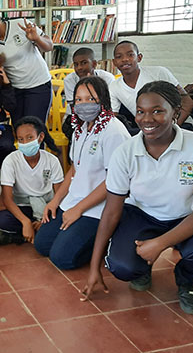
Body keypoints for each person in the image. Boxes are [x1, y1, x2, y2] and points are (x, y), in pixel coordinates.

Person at [81, 81, 193, 315]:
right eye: (141, 111)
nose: (146, 119)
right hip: (142, 215)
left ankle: (187, 280)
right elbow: (111, 211)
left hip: (188, 217)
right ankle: (141, 269)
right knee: (122, 267)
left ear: (176, 113)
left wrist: (160, 244)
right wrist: (94, 268)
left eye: (157, 111)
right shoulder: (125, 152)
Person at [38, 77, 130, 269]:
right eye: (78, 100)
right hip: (74, 199)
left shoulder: (113, 131)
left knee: (62, 258)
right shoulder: (80, 127)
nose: (83, 104)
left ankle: (108, 239)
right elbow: (74, 168)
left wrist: (78, 210)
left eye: (90, 98)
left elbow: (114, 180)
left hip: (100, 207)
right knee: (42, 244)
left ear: (103, 100)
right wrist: (56, 201)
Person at [0, 0, 53, 123]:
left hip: (38, 85)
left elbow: (49, 47)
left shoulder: (21, 25)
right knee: (19, 129)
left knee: (34, 129)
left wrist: (37, 38)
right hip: (15, 90)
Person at [0, 116, 64, 246]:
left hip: (47, 207)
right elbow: (7, 199)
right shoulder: (11, 161)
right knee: (2, 219)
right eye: (21, 139)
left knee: (61, 218)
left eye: (30, 137)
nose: (25, 142)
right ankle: (34, 229)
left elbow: (59, 195)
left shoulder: (51, 161)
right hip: (23, 207)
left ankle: (20, 235)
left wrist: (44, 217)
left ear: (40, 137)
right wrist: (25, 221)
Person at [109, 40, 193, 132]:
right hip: (149, 129)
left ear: (139, 57)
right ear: (114, 62)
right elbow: (114, 117)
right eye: (119, 57)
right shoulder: (114, 87)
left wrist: (172, 127)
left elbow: (188, 102)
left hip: (180, 125)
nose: (125, 59)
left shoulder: (159, 73)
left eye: (130, 55)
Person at [63, 47, 115, 112]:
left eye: (84, 63)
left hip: (102, 115)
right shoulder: (69, 80)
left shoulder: (107, 78)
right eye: (76, 64)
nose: (79, 67)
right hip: (77, 116)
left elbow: (110, 104)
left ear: (94, 64)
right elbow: (74, 108)